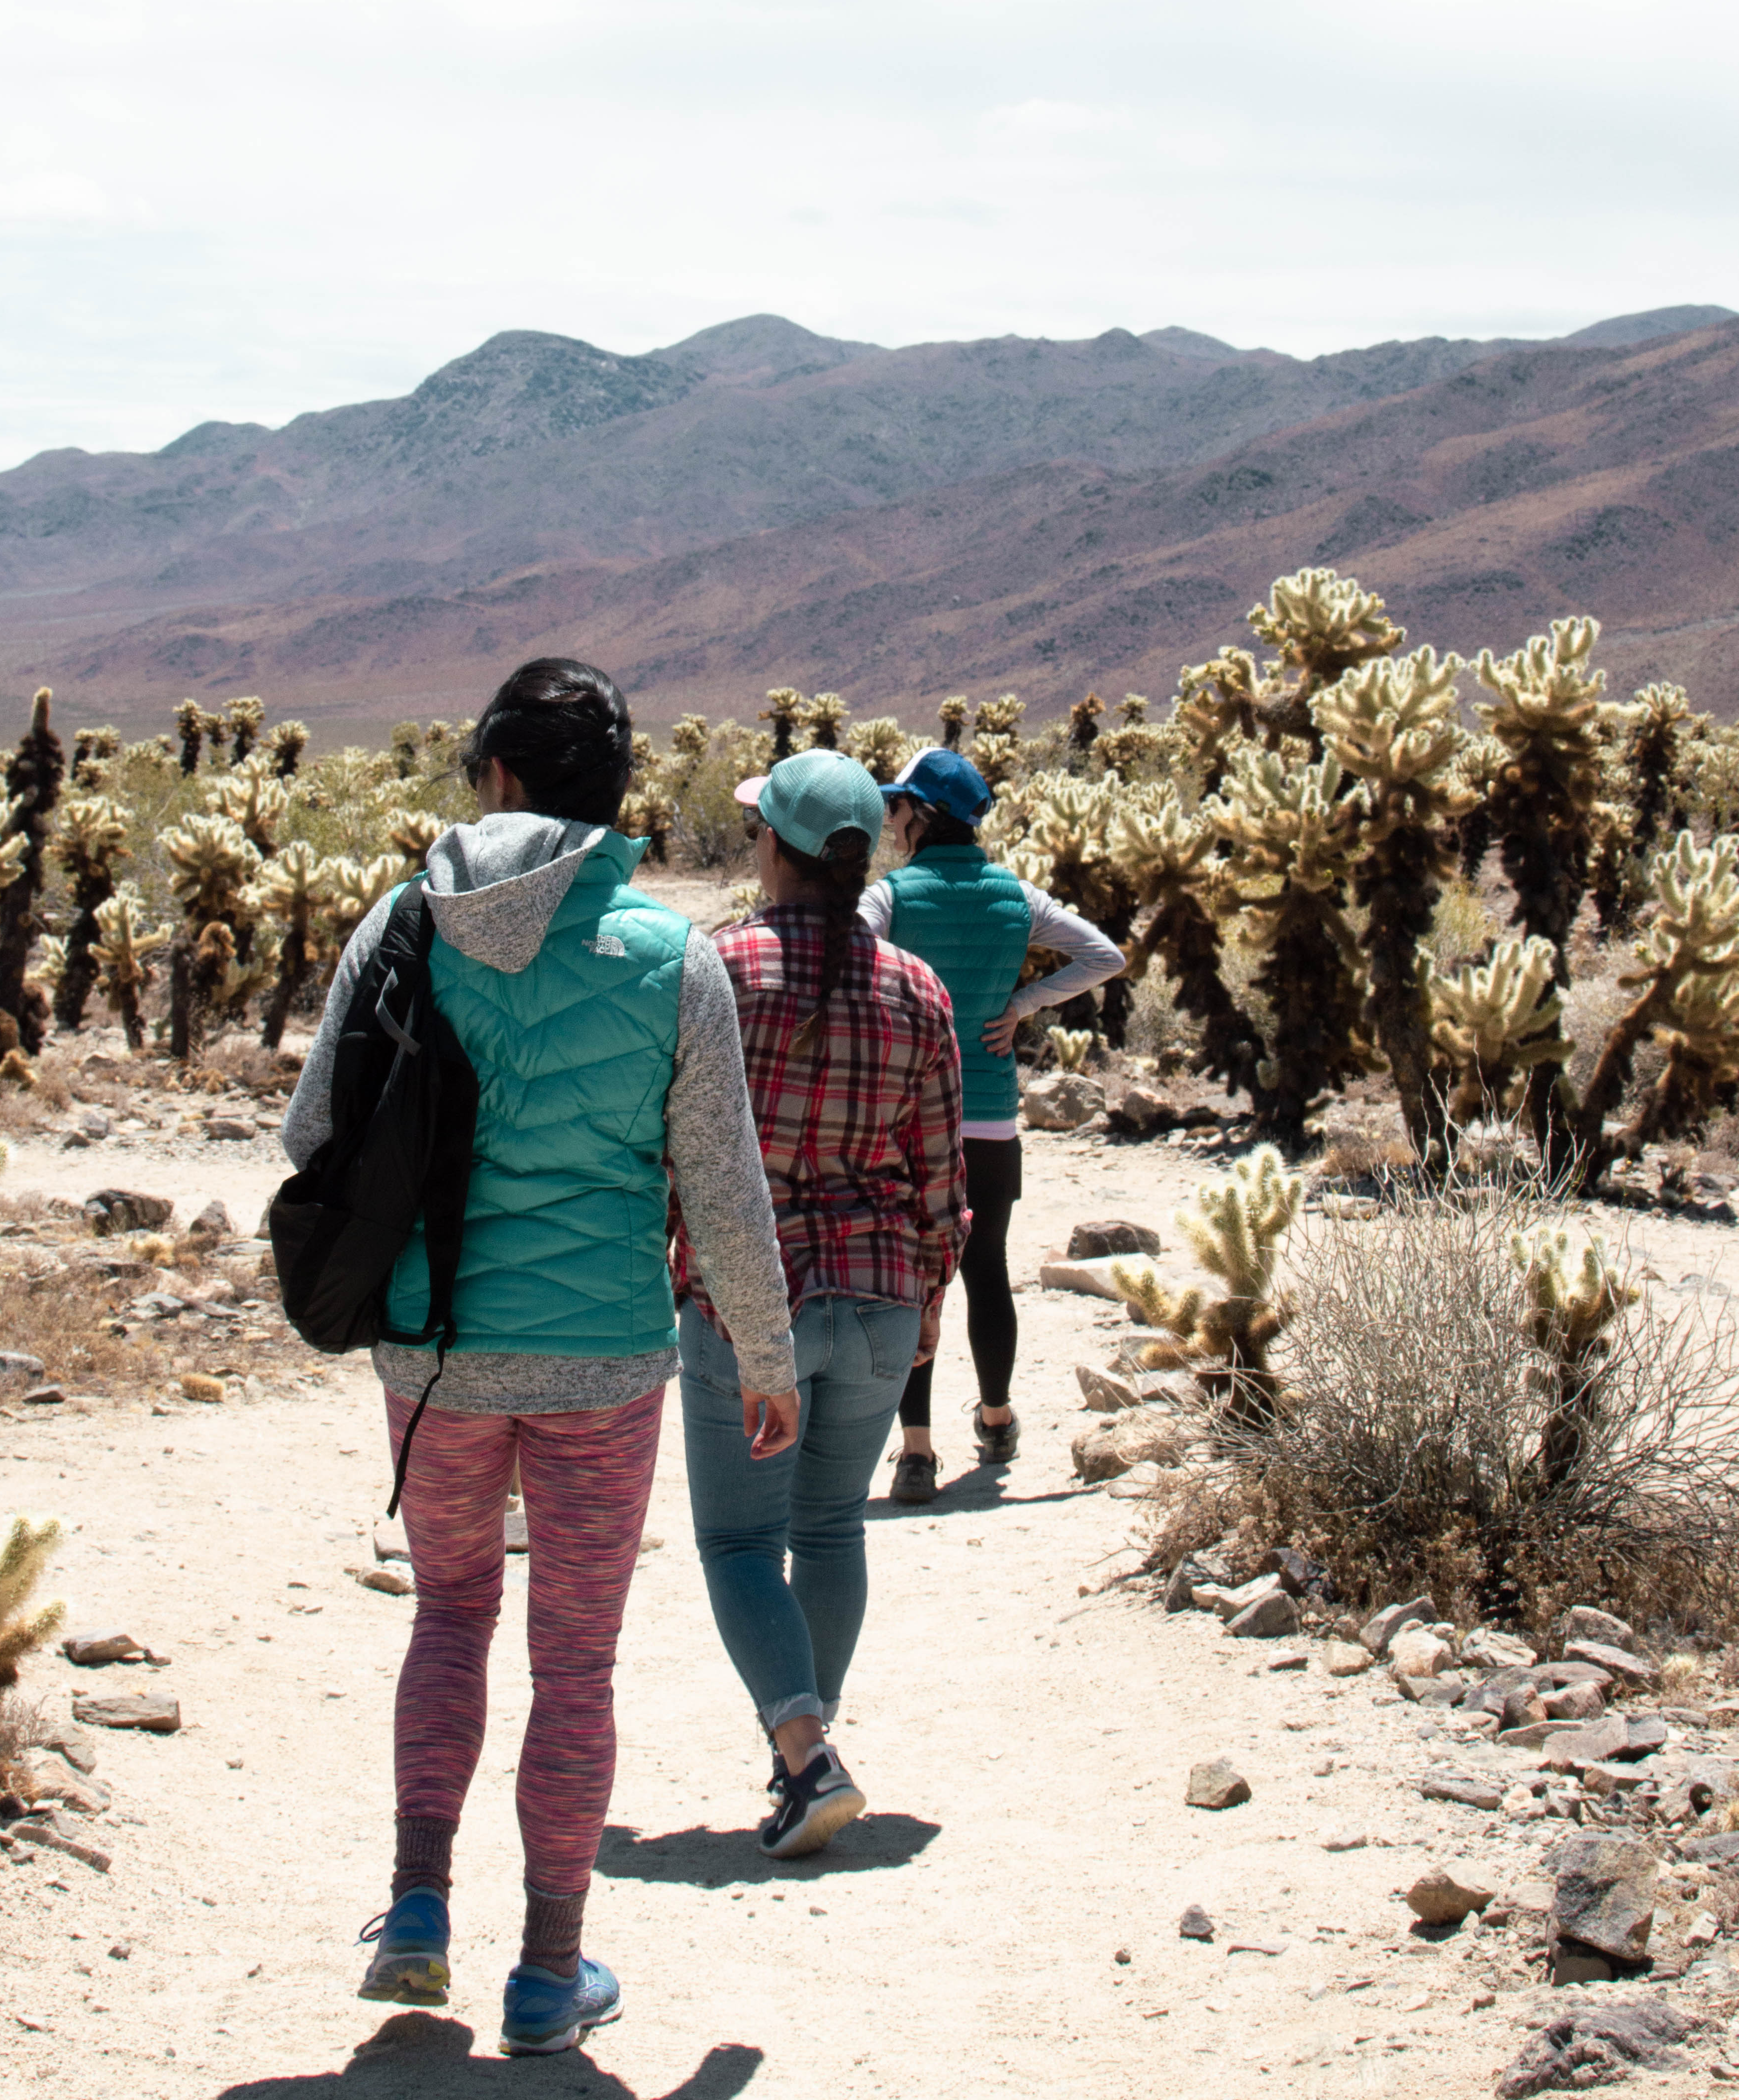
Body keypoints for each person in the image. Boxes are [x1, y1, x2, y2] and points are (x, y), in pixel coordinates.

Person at [280, 658, 798, 2056]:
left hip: (434, 1351)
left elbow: (307, 1131)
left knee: (448, 1616)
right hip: (603, 1371)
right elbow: (722, 1186)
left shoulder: (400, 927)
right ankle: (547, 1977)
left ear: (496, 776)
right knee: (577, 1666)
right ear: (616, 795)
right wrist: (764, 1354)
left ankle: (416, 1912)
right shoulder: (668, 957)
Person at [675, 747, 966, 1858]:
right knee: (830, 1523)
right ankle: (808, 1753)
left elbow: (680, 1145)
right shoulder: (915, 987)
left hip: (754, 1305)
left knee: (739, 1542)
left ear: (776, 849)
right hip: (883, 1292)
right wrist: (932, 1294)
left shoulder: (716, 969)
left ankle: (804, 1755)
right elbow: (939, 1171)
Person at [861, 747, 1126, 1504]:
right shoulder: (1017, 897)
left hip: (910, 1120)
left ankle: (916, 1451)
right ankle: (998, 1416)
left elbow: (851, 951)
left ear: (924, 816)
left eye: (897, 806)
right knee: (987, 1271)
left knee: (917, 1280)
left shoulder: (893, 896)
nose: (892, 819)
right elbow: (1104, 956)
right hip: (990, 1119)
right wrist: (1024, 1004)